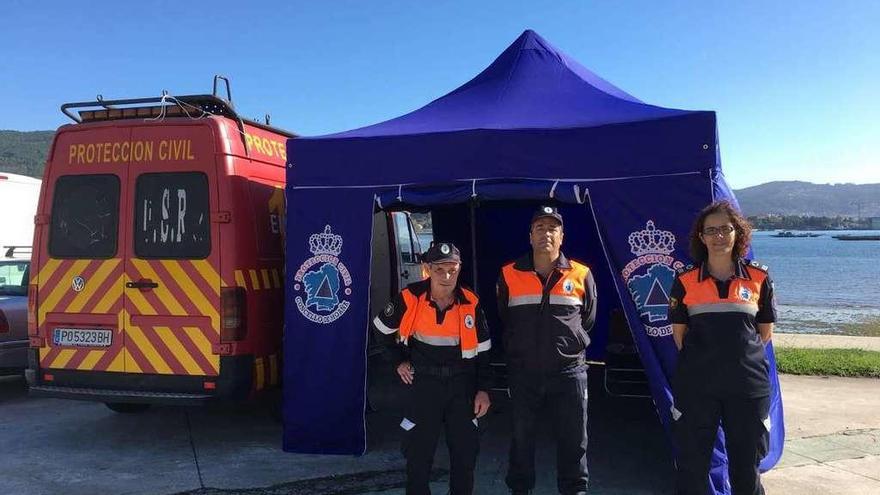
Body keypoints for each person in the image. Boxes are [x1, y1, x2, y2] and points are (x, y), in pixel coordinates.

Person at [668, 200, 776, 495]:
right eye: (711, 231)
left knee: (745, 467)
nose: (718, 237)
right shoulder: (685, 281)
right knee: (692, 467)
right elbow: (680, 336)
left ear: (737, 233)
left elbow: (763, 334)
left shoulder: (759, 278)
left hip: (747, 387)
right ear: (700, 237)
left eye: (725, 229)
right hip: (697, 386)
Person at [372, 241, 492, 495]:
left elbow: (484, 352)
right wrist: (397, 362)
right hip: (423, 387)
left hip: (462, 389)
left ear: (460, 268)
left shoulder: (470, 301)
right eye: (439, 269)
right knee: (418, 455)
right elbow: (381, 331)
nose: (447, 276)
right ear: (427, 269)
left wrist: (483, 390)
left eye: (452, 269)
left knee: (465, 455)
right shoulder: (410, 298)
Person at [496, 206, 597, 495]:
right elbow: (505, 315)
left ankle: (574, 491)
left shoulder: (581, 274)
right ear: (530, 236)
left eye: (552, 228)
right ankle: (520, 490)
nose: (546, 234)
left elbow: (587, 319)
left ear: (562, 236)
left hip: (569, 373)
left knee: (574, 441)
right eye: (540, 228)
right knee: (521, 439)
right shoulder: (508, 274)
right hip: (524, 373)